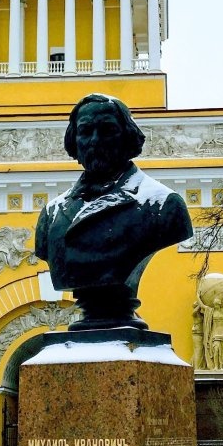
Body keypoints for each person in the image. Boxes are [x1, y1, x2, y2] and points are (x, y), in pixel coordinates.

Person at [34, 94, 192, 329]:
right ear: (74, 141)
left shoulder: (163, 206)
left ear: (127, 138)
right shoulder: (52, 214)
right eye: (85, 131)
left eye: (107, 130)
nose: (95, 141)